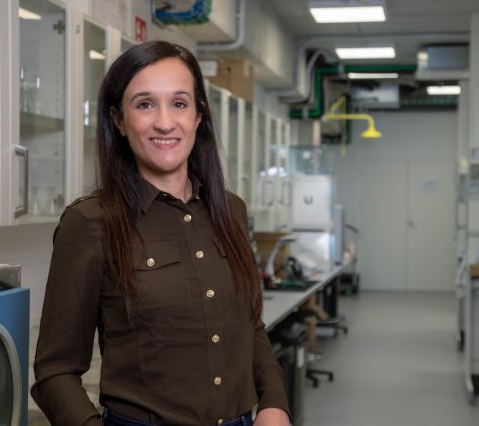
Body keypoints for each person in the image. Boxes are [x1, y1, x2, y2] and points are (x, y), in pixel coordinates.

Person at [31, 40, 290, 426]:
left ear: (198, 116)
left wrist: (274, 403)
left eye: (179, 103)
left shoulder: (230, 211)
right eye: (145, 104)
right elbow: (55, 371)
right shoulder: (90, 223)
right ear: (119, 121)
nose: (165, 122)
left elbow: (250, 326)